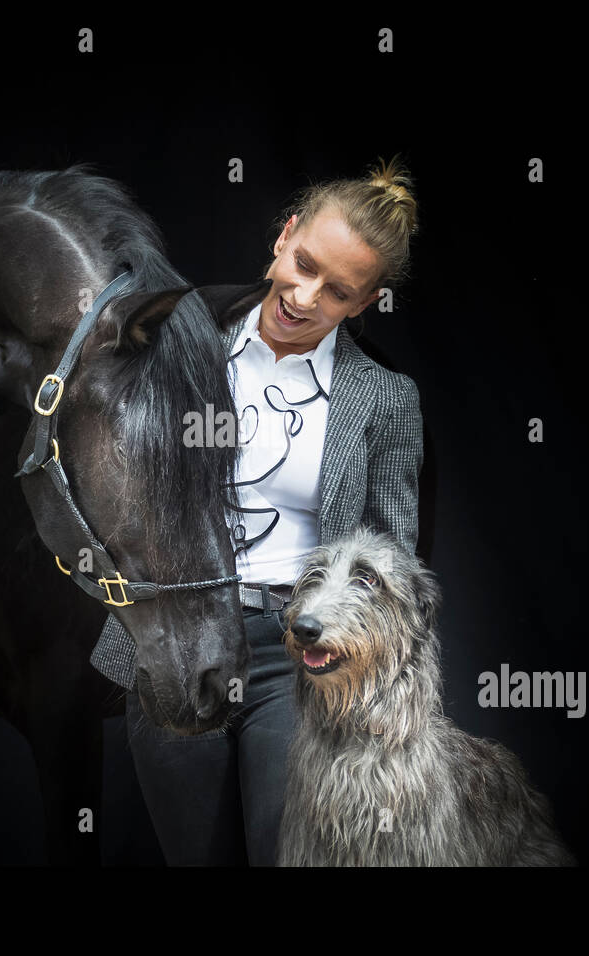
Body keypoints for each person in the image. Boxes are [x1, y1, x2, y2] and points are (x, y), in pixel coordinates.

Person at [90, 156, 423, 865]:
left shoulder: (386, 400)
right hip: (177, 637)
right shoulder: (177, 343)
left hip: (303, 656)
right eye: (303, 264)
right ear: (285, 234)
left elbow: (391, 567)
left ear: (363, 305)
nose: (305, 296)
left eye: (337, 292)